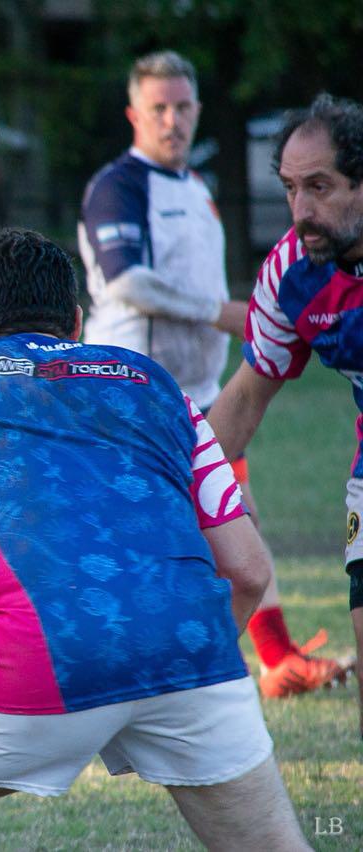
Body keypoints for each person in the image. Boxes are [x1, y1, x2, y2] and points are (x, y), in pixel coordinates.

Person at [0, 226, 308, 851]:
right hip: (195, 652)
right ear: (76, 321)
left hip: (37, 658)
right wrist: (167, 663)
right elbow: (250, 569)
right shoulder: (158, 384)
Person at [77, 50, 336, 698]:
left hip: (201, 398)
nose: (173, 120)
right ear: (134, 113)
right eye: (159, 108)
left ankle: (276, 660)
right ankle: (120, 665)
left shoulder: (196, 190)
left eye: (183, 106)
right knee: (144, 537)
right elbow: (127, 281)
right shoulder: (118, 185)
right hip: (129, 399)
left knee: (240, 520)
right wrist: (222, 313)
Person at [208, 93, 363, 735]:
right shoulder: (292, 273)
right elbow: (244, 399)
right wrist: (164, 492)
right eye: (291, 188)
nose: (301, 211)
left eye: (320, 187)